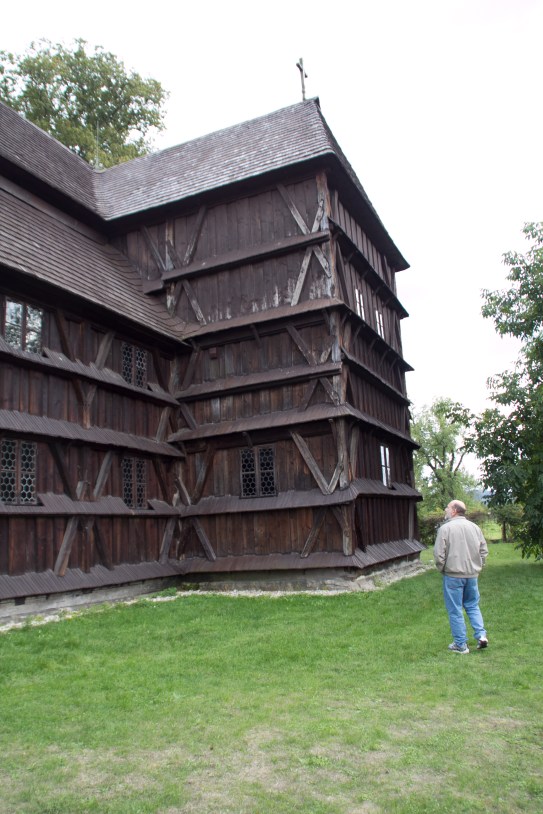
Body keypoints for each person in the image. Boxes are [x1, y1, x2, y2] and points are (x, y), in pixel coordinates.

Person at [434, 500, 489, 654]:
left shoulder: (445, 529)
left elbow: (439, 555)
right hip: (472, 575)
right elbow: (484, 551)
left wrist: (443, 569)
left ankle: (460, 645)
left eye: (448, 507)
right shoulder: (475, 528)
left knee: (455, 609)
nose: (445, 509)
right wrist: (478, 566)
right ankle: (481, 636)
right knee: (472, 605)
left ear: (454, 511)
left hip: (453, 575)